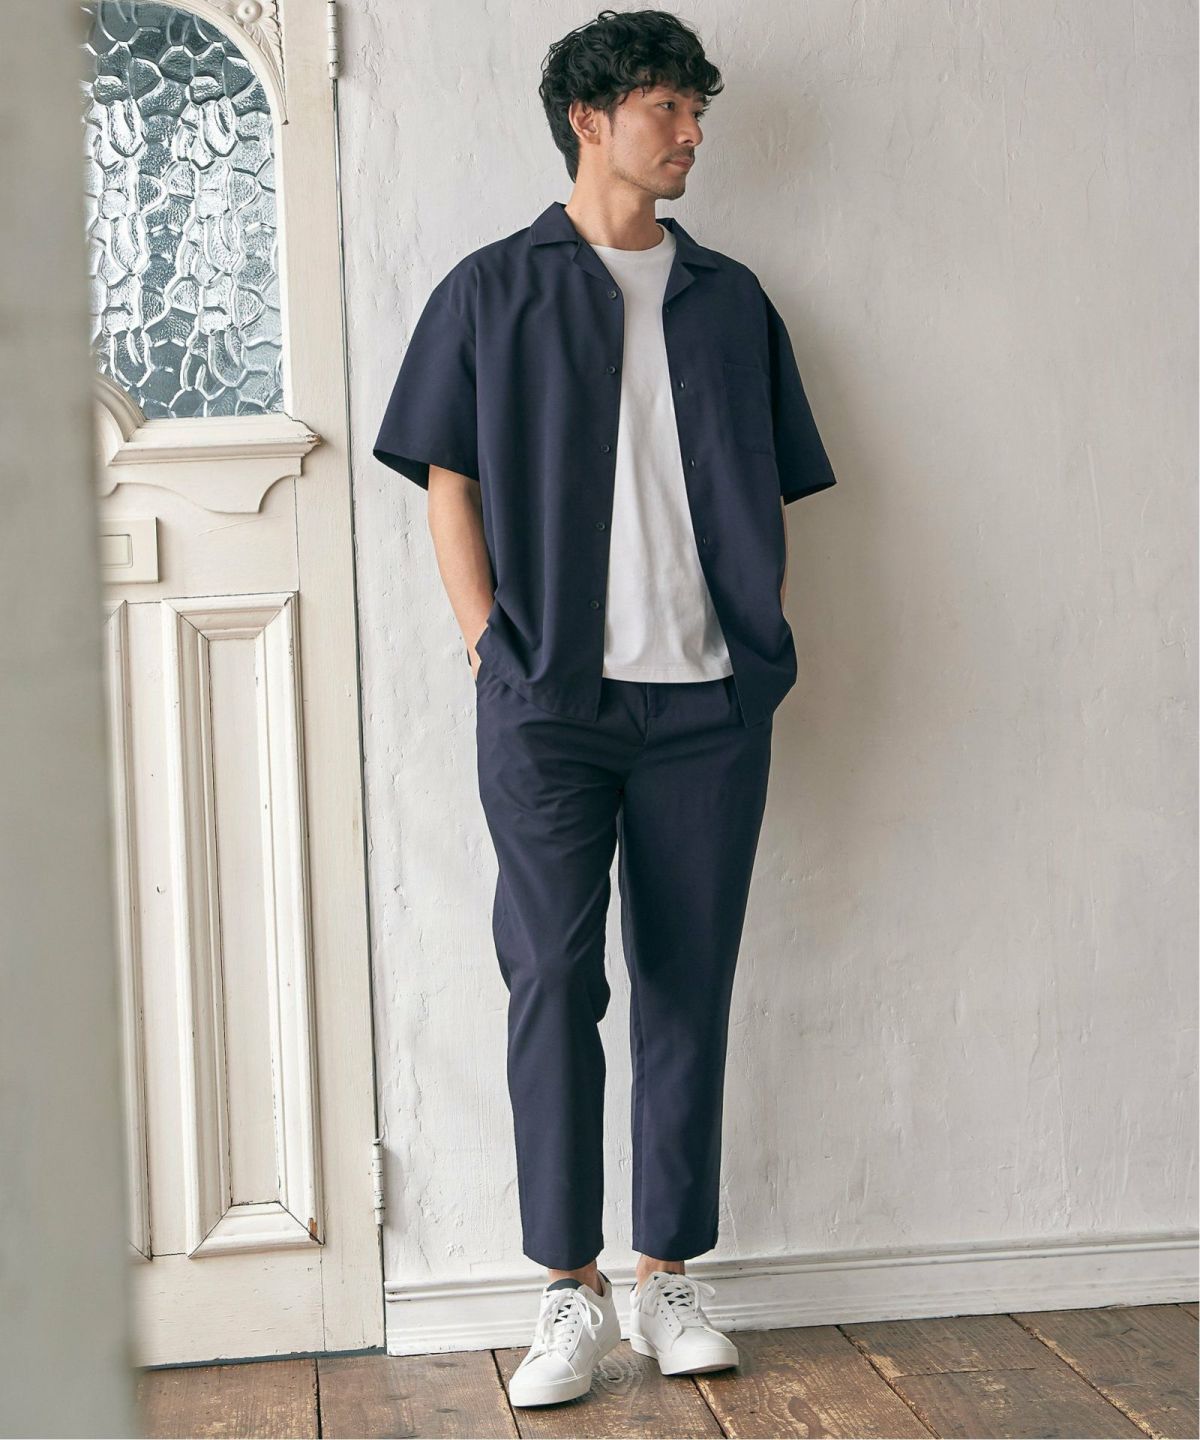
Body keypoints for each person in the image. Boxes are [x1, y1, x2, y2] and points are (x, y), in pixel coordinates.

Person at [373, 7, 837, 1409]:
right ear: (591, 120)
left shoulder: (730, 299)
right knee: (553, 979)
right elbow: (447, 478)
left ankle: (666, 1275)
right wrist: (485, 645)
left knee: (689, 984)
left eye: (697, 109)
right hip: (550, 706)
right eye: (666, 107)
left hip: (709, 706)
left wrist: (756, 632)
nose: (692, 132)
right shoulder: (489, 289)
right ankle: (565, 1291)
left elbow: (771, 484)